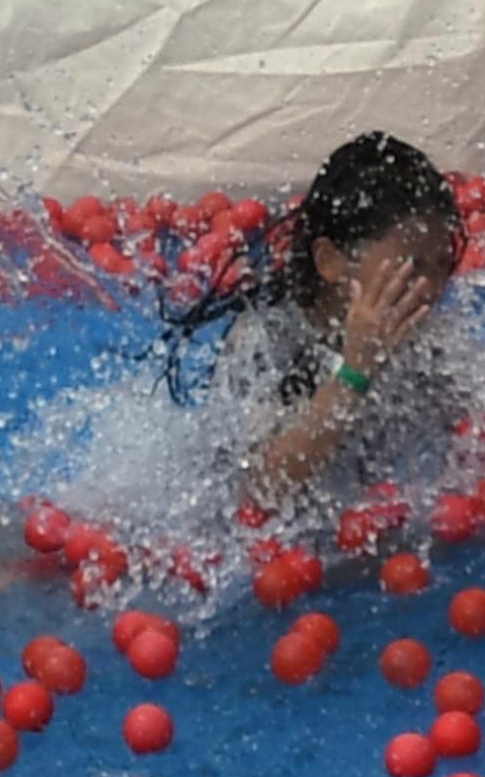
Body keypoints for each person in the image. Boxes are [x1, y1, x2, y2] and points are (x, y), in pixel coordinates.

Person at [168, 131, 468, 504]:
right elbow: (259, 490)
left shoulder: (426, 336)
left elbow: (475, 437)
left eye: (441, 266)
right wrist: (355, 372)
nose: (429, 287)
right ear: (330, 261)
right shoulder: (267, 339)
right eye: (409, 267)